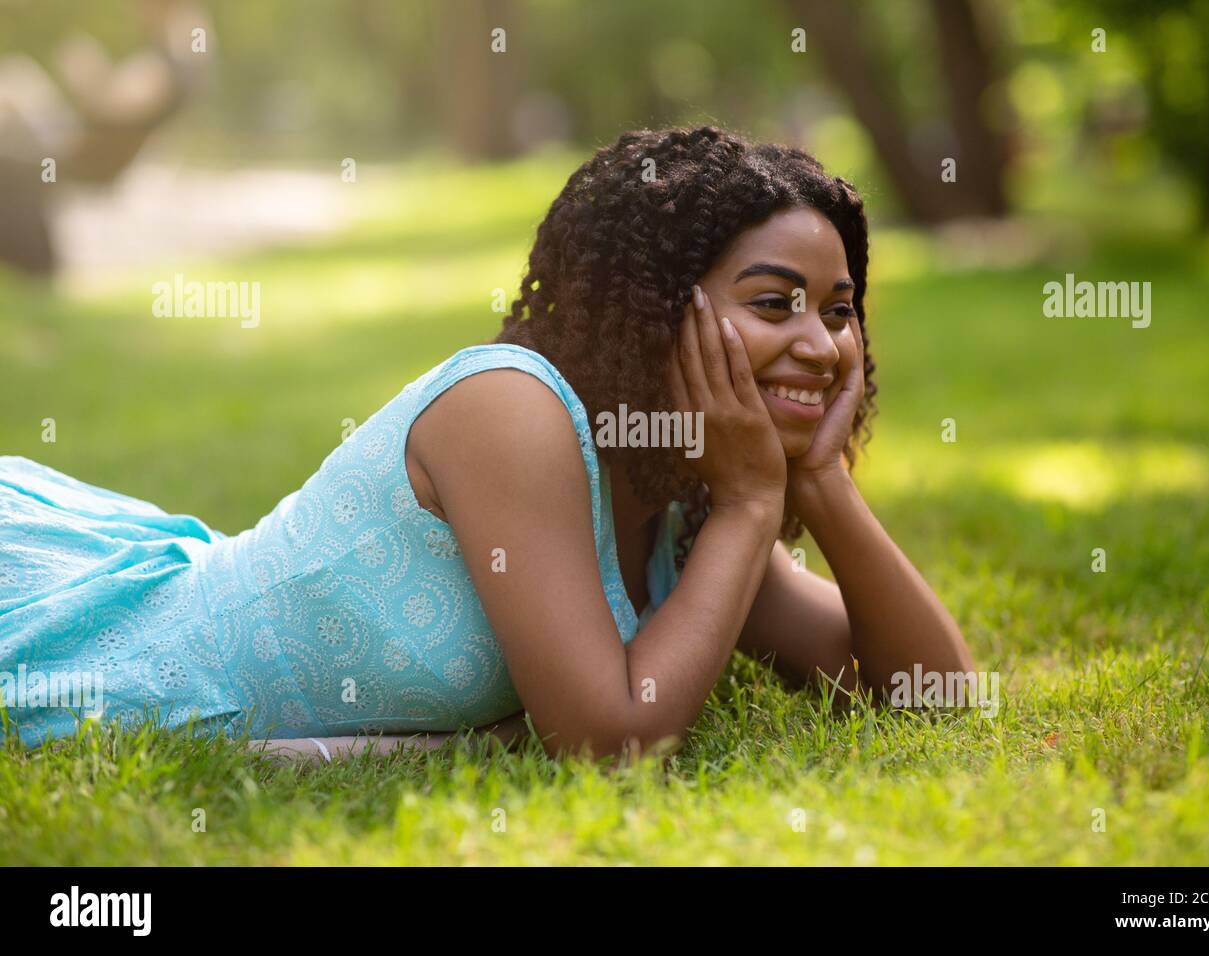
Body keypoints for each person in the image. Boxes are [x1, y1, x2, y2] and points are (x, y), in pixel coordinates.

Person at [0, 126, 974, 761]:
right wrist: (760, 503)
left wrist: (820, 487)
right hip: (124, 656)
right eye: (774, 303)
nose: (822, 342)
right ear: (654, 310)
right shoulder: (510, 408)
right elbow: (610, 742)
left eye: (839, 310)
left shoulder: (685, 492)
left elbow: (933, 695)